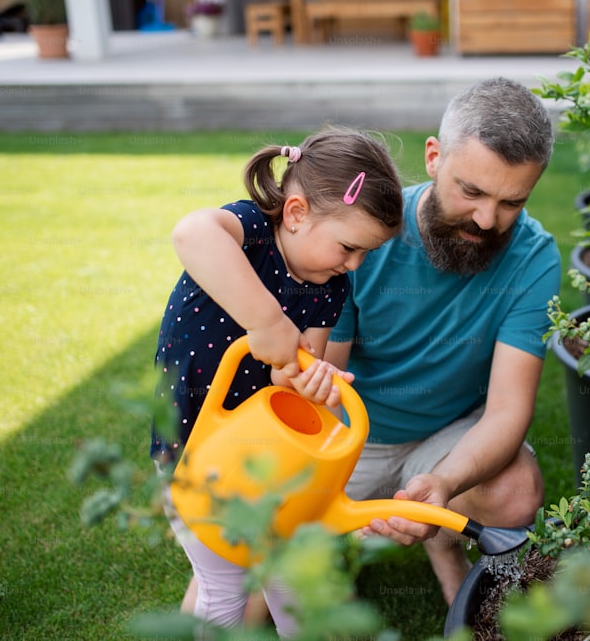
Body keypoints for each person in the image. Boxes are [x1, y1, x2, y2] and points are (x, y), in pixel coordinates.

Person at [152, 127, 404, 635]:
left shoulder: (328, 288)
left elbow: (286, 372)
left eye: (365, 255)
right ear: (295, 213)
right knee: (224, 585)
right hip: (196, 450)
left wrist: (310, 382)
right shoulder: (249, 231)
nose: (353, 265)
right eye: (349, 247)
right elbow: (190, 233)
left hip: (267, 459)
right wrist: (266, 321)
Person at [325, 76, 560, 604]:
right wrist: (323, 489)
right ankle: (358, 542)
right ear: (434, 157)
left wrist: (444, 484)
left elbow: (506, 412)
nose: (486, 220)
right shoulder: (363, 233)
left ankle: (438, 537)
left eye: (511, 202)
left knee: (515, 490)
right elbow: (320, 388)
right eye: (471, 191)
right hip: (348, 438)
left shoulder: (534, 258)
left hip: (447, 437)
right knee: (256, 586)